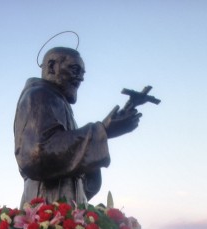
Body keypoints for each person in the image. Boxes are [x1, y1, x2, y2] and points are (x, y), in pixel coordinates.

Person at [14, 46, 142, 207]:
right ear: (52, 67)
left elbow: (75, 165)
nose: (80, 78)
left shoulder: (60, 103)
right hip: (46, 206)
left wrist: (102, 133)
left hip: (69, 206)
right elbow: (36, 155)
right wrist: (103, 130)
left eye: (82, 73)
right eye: (75, 69)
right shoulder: (39, 95)